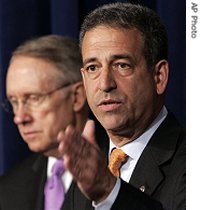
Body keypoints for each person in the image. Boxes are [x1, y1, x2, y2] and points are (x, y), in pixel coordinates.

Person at [57, 2, 185, 210]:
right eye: (93, 68)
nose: (105, 83)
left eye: (122, 65)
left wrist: (109, 191)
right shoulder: (86, 175)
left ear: (159, 77)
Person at [0, 34, 91, 209]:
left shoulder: (118, 170)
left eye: (33, 98)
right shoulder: (7, 190)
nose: (19, 117)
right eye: (14, 102)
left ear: (77, 97)